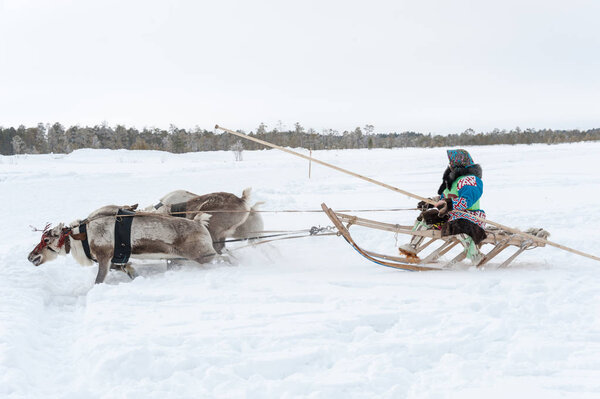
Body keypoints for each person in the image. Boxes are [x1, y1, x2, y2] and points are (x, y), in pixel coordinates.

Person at [399, 149, 487, 264]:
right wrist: (430, 202)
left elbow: (467, 201)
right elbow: (443, 198)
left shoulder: (470, 180)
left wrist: (449, 204)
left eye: (451, 162)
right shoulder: (453, 181)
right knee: (427, 217)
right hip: (451, 215)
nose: (449, 165)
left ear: (458, 163)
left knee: (459, 225)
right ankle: (412, 247)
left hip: (470, 216)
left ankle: (476, 255)